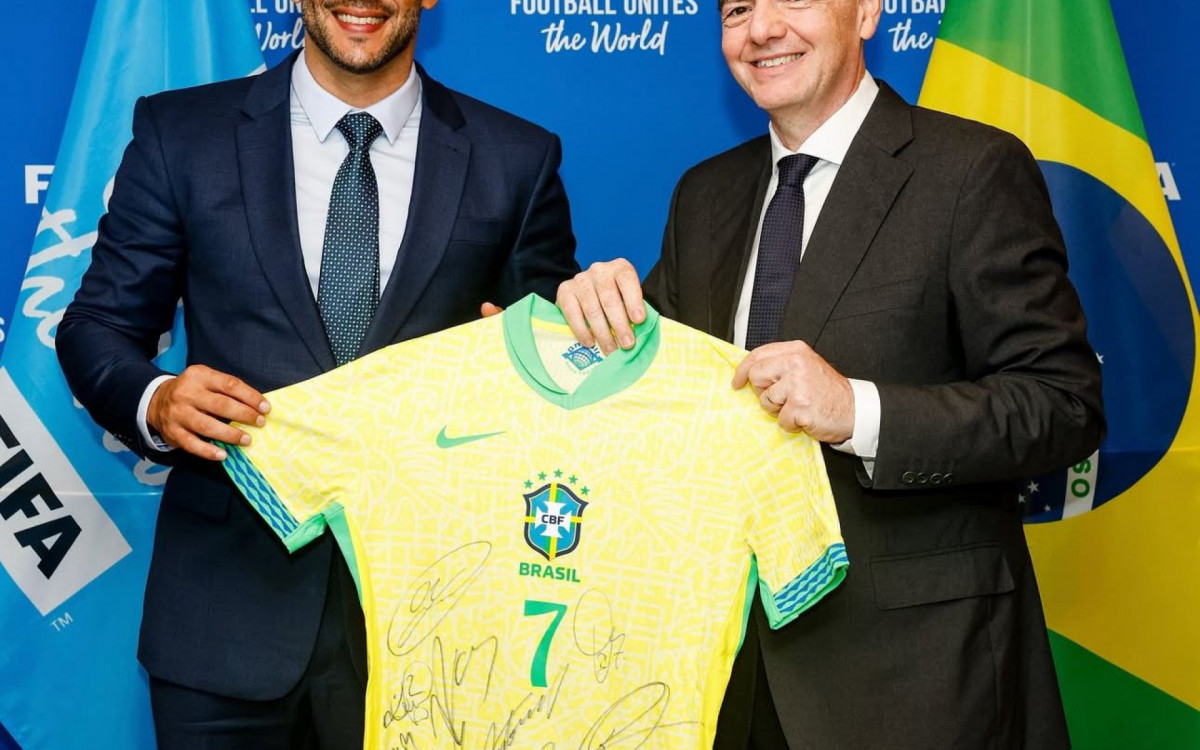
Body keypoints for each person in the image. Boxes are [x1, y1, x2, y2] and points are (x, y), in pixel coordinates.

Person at [555, 0, 1103, 748]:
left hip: (918, 680)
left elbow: (1063, 403)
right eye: (737, 9)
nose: (762, 29)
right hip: (725, 677)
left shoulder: (972, 169)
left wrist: (858, 412)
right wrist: (577, 337)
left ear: (867, 12)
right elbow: (658, 394)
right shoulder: (704, 194)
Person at [56, 1, 578, 746]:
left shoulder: (517, 157)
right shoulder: (183, 132)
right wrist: (158, 399)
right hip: (223, 623)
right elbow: (97, 326)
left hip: (435, 633)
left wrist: (533, 365)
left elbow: (551, 367)